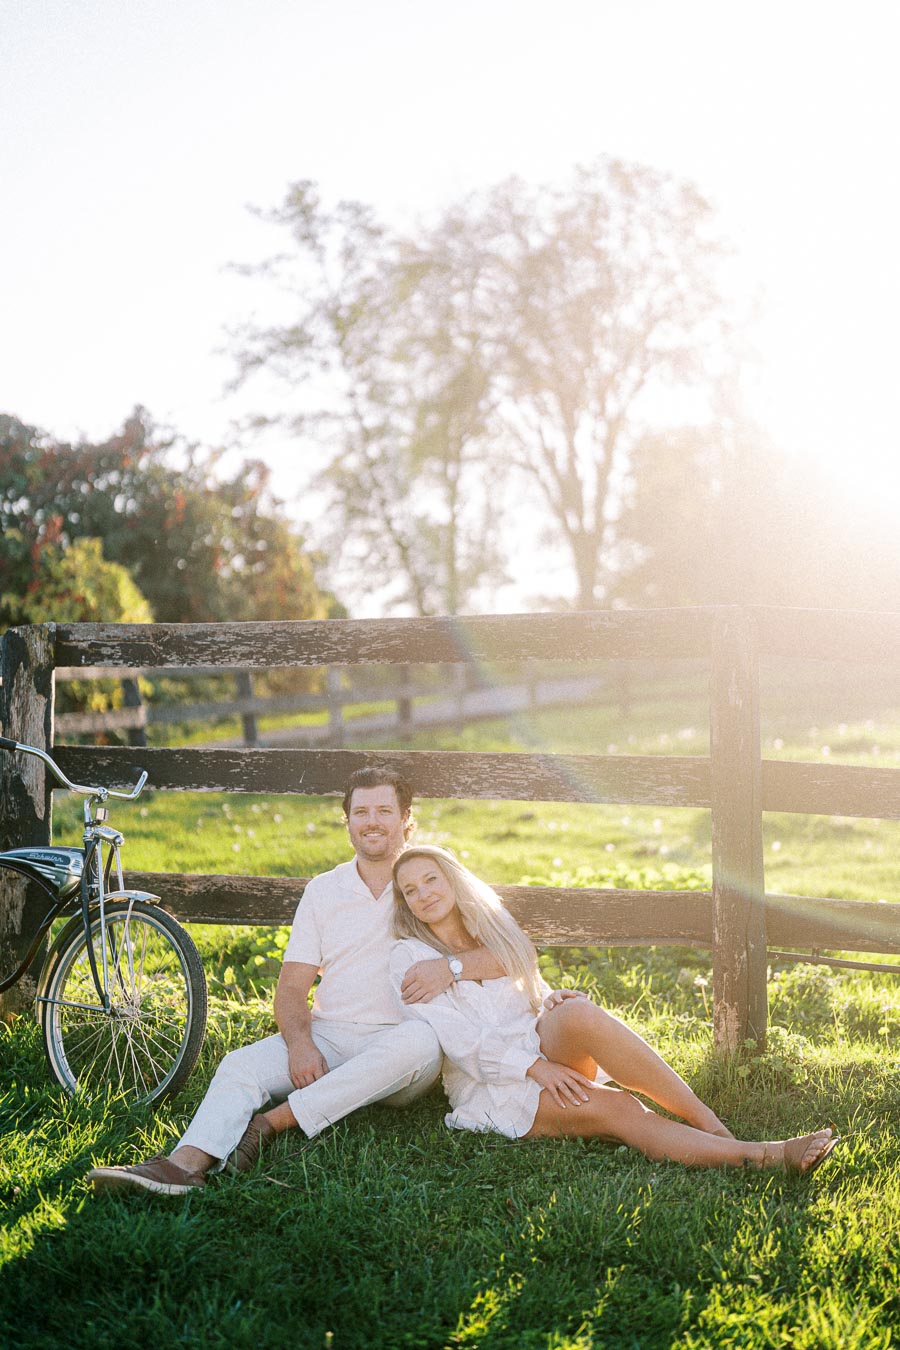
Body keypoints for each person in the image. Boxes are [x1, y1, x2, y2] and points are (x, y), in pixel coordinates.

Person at [87, 768, 505, 1197]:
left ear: (406, 820)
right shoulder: (324, 890)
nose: (372, 821)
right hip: (332, 1035)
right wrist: (302, 1043)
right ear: (348, 822)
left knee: (420, 1039)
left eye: (384, 810)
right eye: (361, 811)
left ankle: (273, 1121)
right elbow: (290, 988)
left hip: (404, 1043)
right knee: (239, 1065)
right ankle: (182, 1167)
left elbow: (508, 955)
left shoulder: (428, 881)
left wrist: (448, 967)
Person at [390, 844, 840, 1174]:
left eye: (431, 879)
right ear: (405, 904)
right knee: (621, 1109)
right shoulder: (408, 958)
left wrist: (549, 1001)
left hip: (536, 1044)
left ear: (452, 879)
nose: (424, 893)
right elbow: (458, 1041)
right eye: (410, 890)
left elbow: (529, 989)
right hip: (494, 1084)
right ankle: (766, 1156)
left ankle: (709, 1125)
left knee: (578, 1013)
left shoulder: (492, 930)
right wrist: (533, 1068)